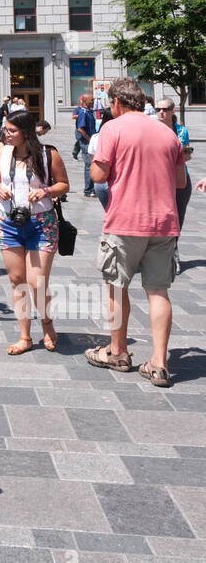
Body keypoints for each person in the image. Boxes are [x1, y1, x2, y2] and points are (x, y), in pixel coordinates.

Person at [86, 78, 186, 388]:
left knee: (116, 287)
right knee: (158, 291)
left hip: (126, 221)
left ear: (116, 102)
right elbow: (180, 181)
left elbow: (98, 175)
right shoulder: (168, 133)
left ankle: (117, 352)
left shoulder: (112, 130)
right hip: (163, 222)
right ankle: (159, 362)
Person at [0, 110, 69, 355]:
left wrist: (45, 192)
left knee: (36, 282)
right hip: (8, 222)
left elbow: (64, 184)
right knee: (17, 280)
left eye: (12, 130)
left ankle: (47, 325)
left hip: (41, 223)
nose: (7, 133)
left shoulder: (48, 154)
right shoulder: (0, 152)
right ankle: (24, 336)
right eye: (6, 129)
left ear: (25, 133)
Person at [156, 100, 192, 273]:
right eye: (158, 109)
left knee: (177, 218)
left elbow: (186, 155)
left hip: (179, 179)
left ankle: (173, 254)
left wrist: (183, 155)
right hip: (157, 180)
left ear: (172, 111)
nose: (161, 112)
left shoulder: (181, 131)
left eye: (165, 109)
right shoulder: (151, 130)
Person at [77, 94, 97, 196]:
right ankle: (88, 190)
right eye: (91, 100)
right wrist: (89, 140)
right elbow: (80, 128)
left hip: (90, 141)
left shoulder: (89, 112)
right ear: (85, 101)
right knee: (89, 165)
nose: (93, 101)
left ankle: (92, 188)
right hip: (86, 142)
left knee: (92, 164)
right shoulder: (83, 112)